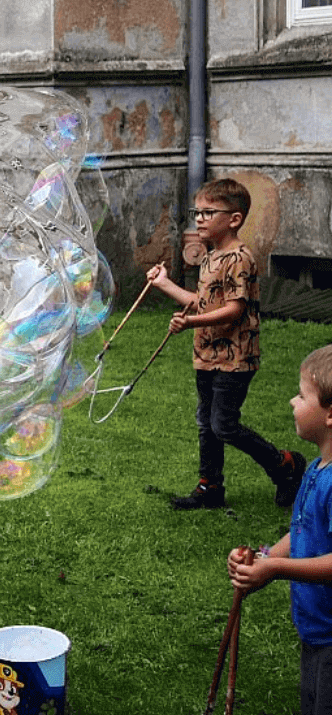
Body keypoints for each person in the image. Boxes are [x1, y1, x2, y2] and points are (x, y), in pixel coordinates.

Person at [146, 178, 305, 510]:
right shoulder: (211, 256)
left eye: (208, 212)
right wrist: (164, 284)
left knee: (224, 425)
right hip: (206, 355)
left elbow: (233, 311)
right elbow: (203, 302)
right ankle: (210, 487)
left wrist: (189, 322)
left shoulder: (239, 258)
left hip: (236, 358)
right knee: (206, 423)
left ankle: (285, 465)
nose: (199, 219)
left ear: (234, 219)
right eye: (197, 212)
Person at [227, 344, 332, 714]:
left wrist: (276, 569)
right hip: (316, 628)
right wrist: (265, 559)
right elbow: (303, 531)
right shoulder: (318, 468)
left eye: (303, 395)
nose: (292, 401)